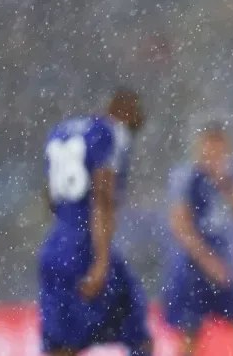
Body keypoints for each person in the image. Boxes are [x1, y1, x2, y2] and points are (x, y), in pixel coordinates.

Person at [38, 88, 152, 356]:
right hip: (86, 248)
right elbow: (102, 198)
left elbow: (51, 197)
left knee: (60, 343)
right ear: (124, 111)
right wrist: (101, 262)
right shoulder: (108, 133)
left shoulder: (61, 130)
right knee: (137, 333)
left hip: (55, 247)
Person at [162, 122, 233, 356]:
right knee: (189, 333)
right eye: (210, 145)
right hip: (193, 265)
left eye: (220, 146)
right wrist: (208, 260)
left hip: (226, 261)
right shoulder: (187, 177)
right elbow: (180, 225)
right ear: (200, 147)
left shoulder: (232, 176)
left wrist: (227, 184)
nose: (215, 151)